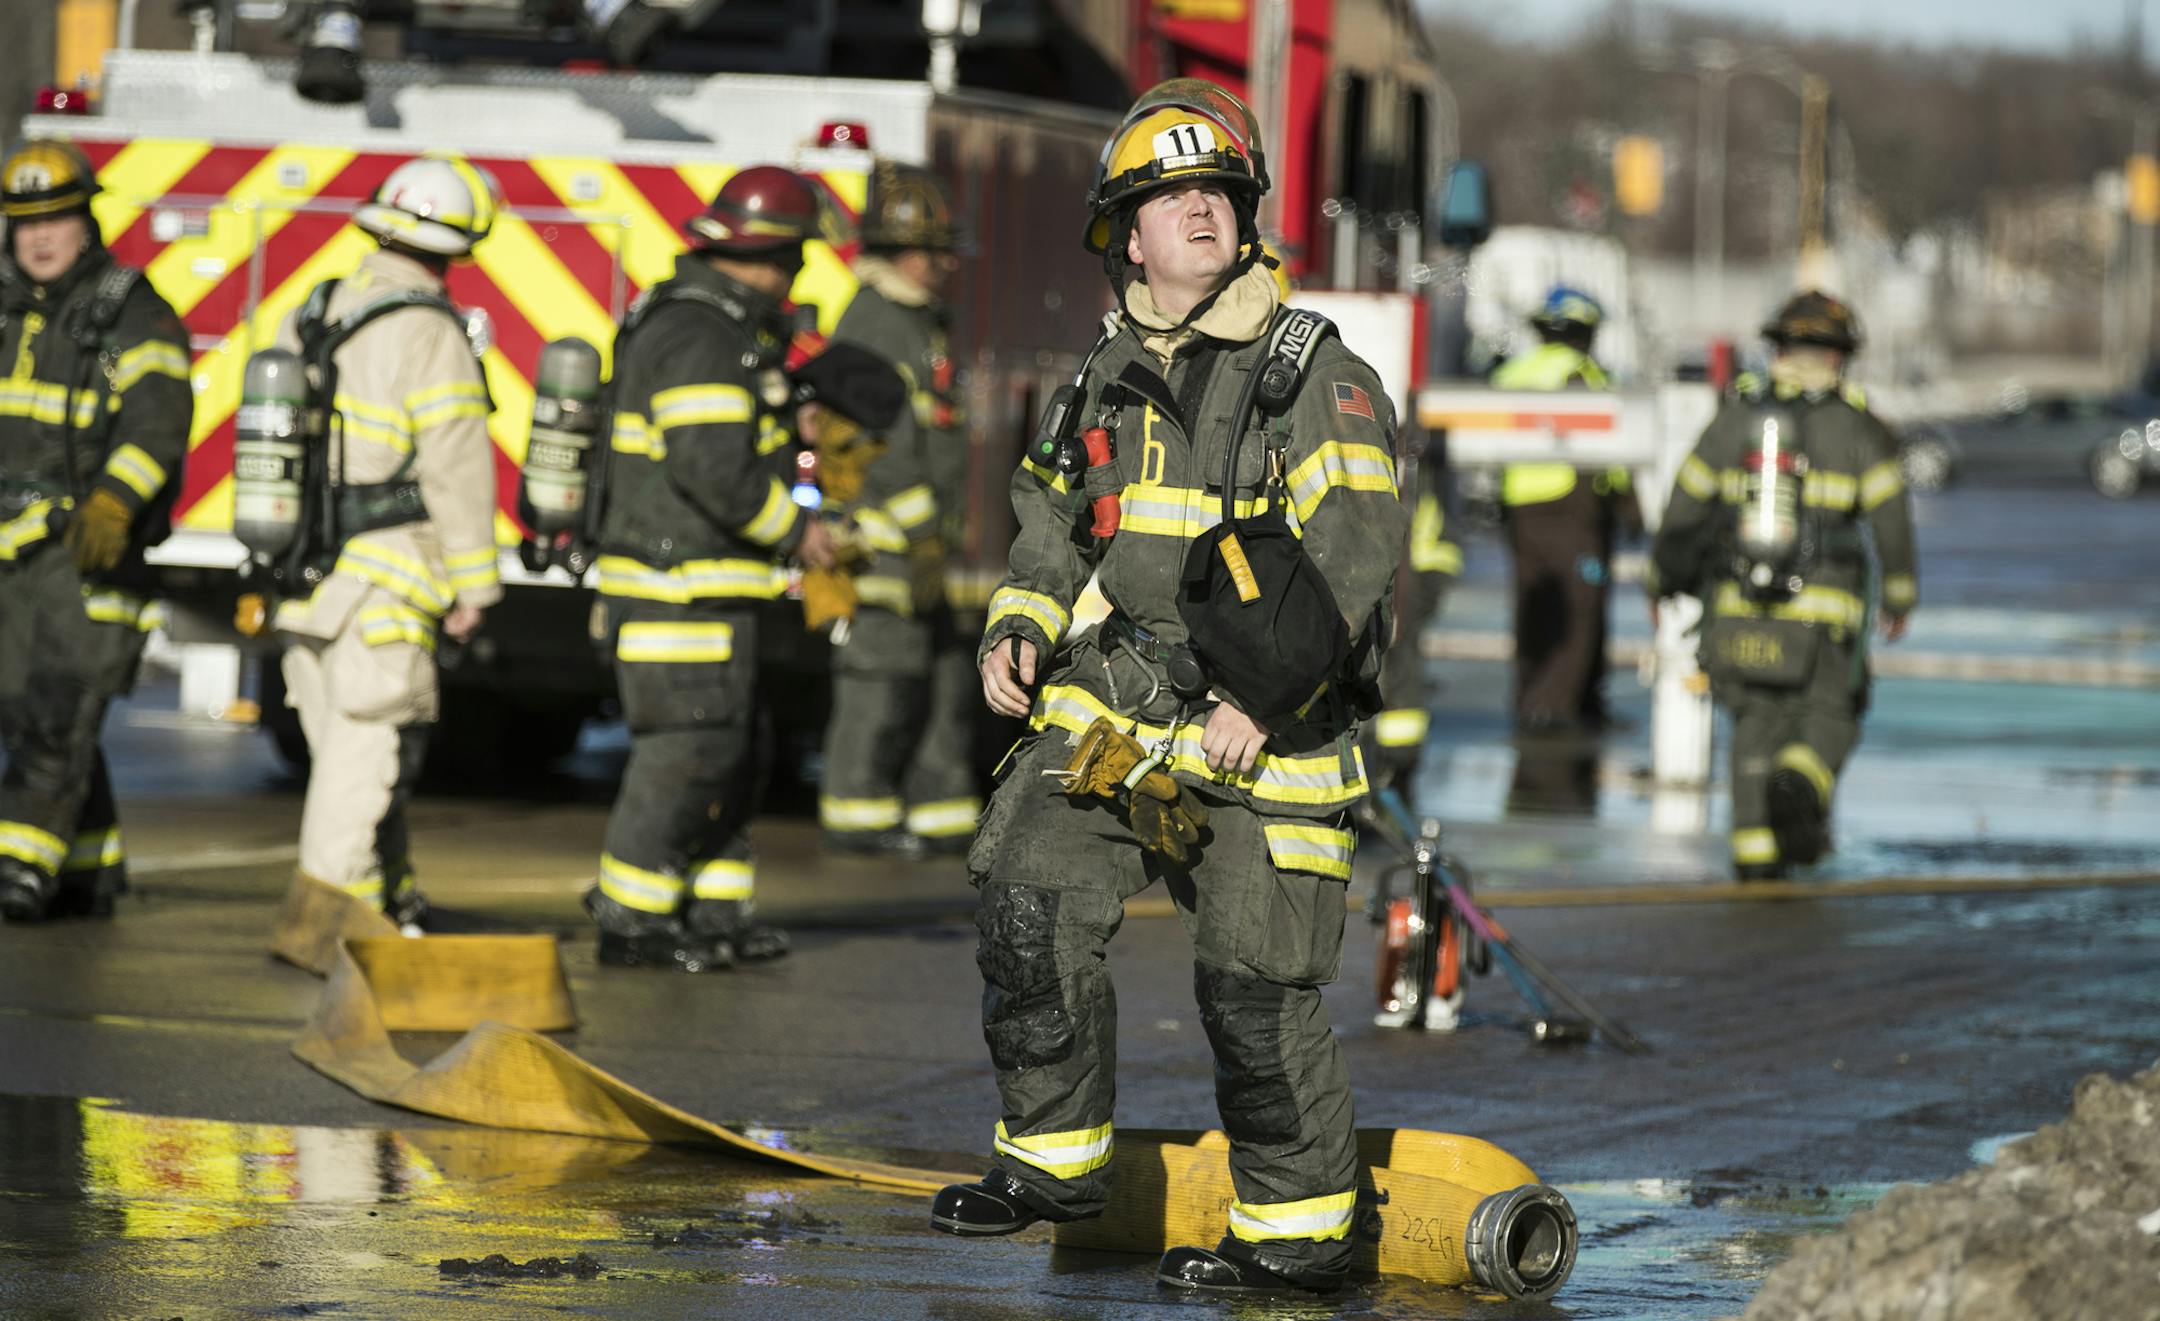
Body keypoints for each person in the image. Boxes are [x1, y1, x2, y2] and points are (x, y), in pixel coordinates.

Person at [930, 80, 1406, 1295]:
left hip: (1273, 728)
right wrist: (1020, 629)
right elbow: (1052, 522)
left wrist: (1260, 701)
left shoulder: (1316, 375)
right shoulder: (1100, 371)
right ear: (1127, 236)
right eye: (1168, 197)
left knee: (1253, 992)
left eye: (1215, 194)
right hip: (1122, 712)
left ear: (1244, 220)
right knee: (1026, 901)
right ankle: (1051, 1162)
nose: (1197, 211)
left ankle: (1295, 1240)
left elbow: (1354, 561)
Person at [581, 166, 838, 971]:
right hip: (674, 589)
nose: (795, 278)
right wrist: (798, 530)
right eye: (793, 259)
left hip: (709, 588)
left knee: (734, 748)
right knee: (686, 751)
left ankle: (711, 910)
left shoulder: (724, 331)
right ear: (764, 253)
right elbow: (712, 470)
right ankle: (632, 916)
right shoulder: (699, 334)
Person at [271, 155, 503, 929]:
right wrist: (475, 585)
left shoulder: (315, 309)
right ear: (457, 245)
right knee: (363, 766)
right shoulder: (429, 332)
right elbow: (456, 463)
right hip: (388, 579)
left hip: (308, 577)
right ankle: (333, 928)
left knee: (349, 762)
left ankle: (382, 906)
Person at [1648, 290, 1917, 880]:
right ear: (1840, 357)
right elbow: (1892, 519)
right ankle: (1800, 780)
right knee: (1830, 717)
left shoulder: (1734, 420)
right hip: (1824, 619)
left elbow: (1683, 511)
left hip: (1737, 614)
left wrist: (1661, 581)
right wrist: (1899, 595)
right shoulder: (1857, 429)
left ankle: (1754, 858)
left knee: (1753, 726)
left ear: (1777, 350)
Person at [0, 140, 192, 922]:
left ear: (86, 221)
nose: (39, 239)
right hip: (16, 550)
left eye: (56, 220)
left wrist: (114, 503)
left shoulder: (131, 313)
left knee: (58, 710)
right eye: (23, 225)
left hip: (92, 551)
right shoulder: (6, 309)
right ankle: (90, 866)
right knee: (25, 707)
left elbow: (159, 421)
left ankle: (18, 868)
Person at [818, 160, 980, 857]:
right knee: (880, 682)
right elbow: (876, 444)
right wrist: (917, 533)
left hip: (921, 545)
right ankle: (856, 816)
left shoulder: (915, 321)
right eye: (934, 250)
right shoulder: (875, 325)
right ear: (900, 253)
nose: (945, 263)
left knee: (943, 677)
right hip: (882, 544)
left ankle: (944, 816)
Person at [1491, 286, 1624, 733]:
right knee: (1579, 610)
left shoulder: (1514, 372)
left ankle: (1530, 699)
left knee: (1533, 608)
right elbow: (1610, 448)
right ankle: (1557, 710)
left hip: (1521, 510)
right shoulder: (1584, 373)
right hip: (1575, 509)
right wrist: (1627, 502)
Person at [1366, 434, 1460, 790]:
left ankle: (1397, 768)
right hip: (1404, 578)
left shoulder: (1418, 471)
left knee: (1400, 664)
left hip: (1414, 579)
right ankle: (1392, 768)